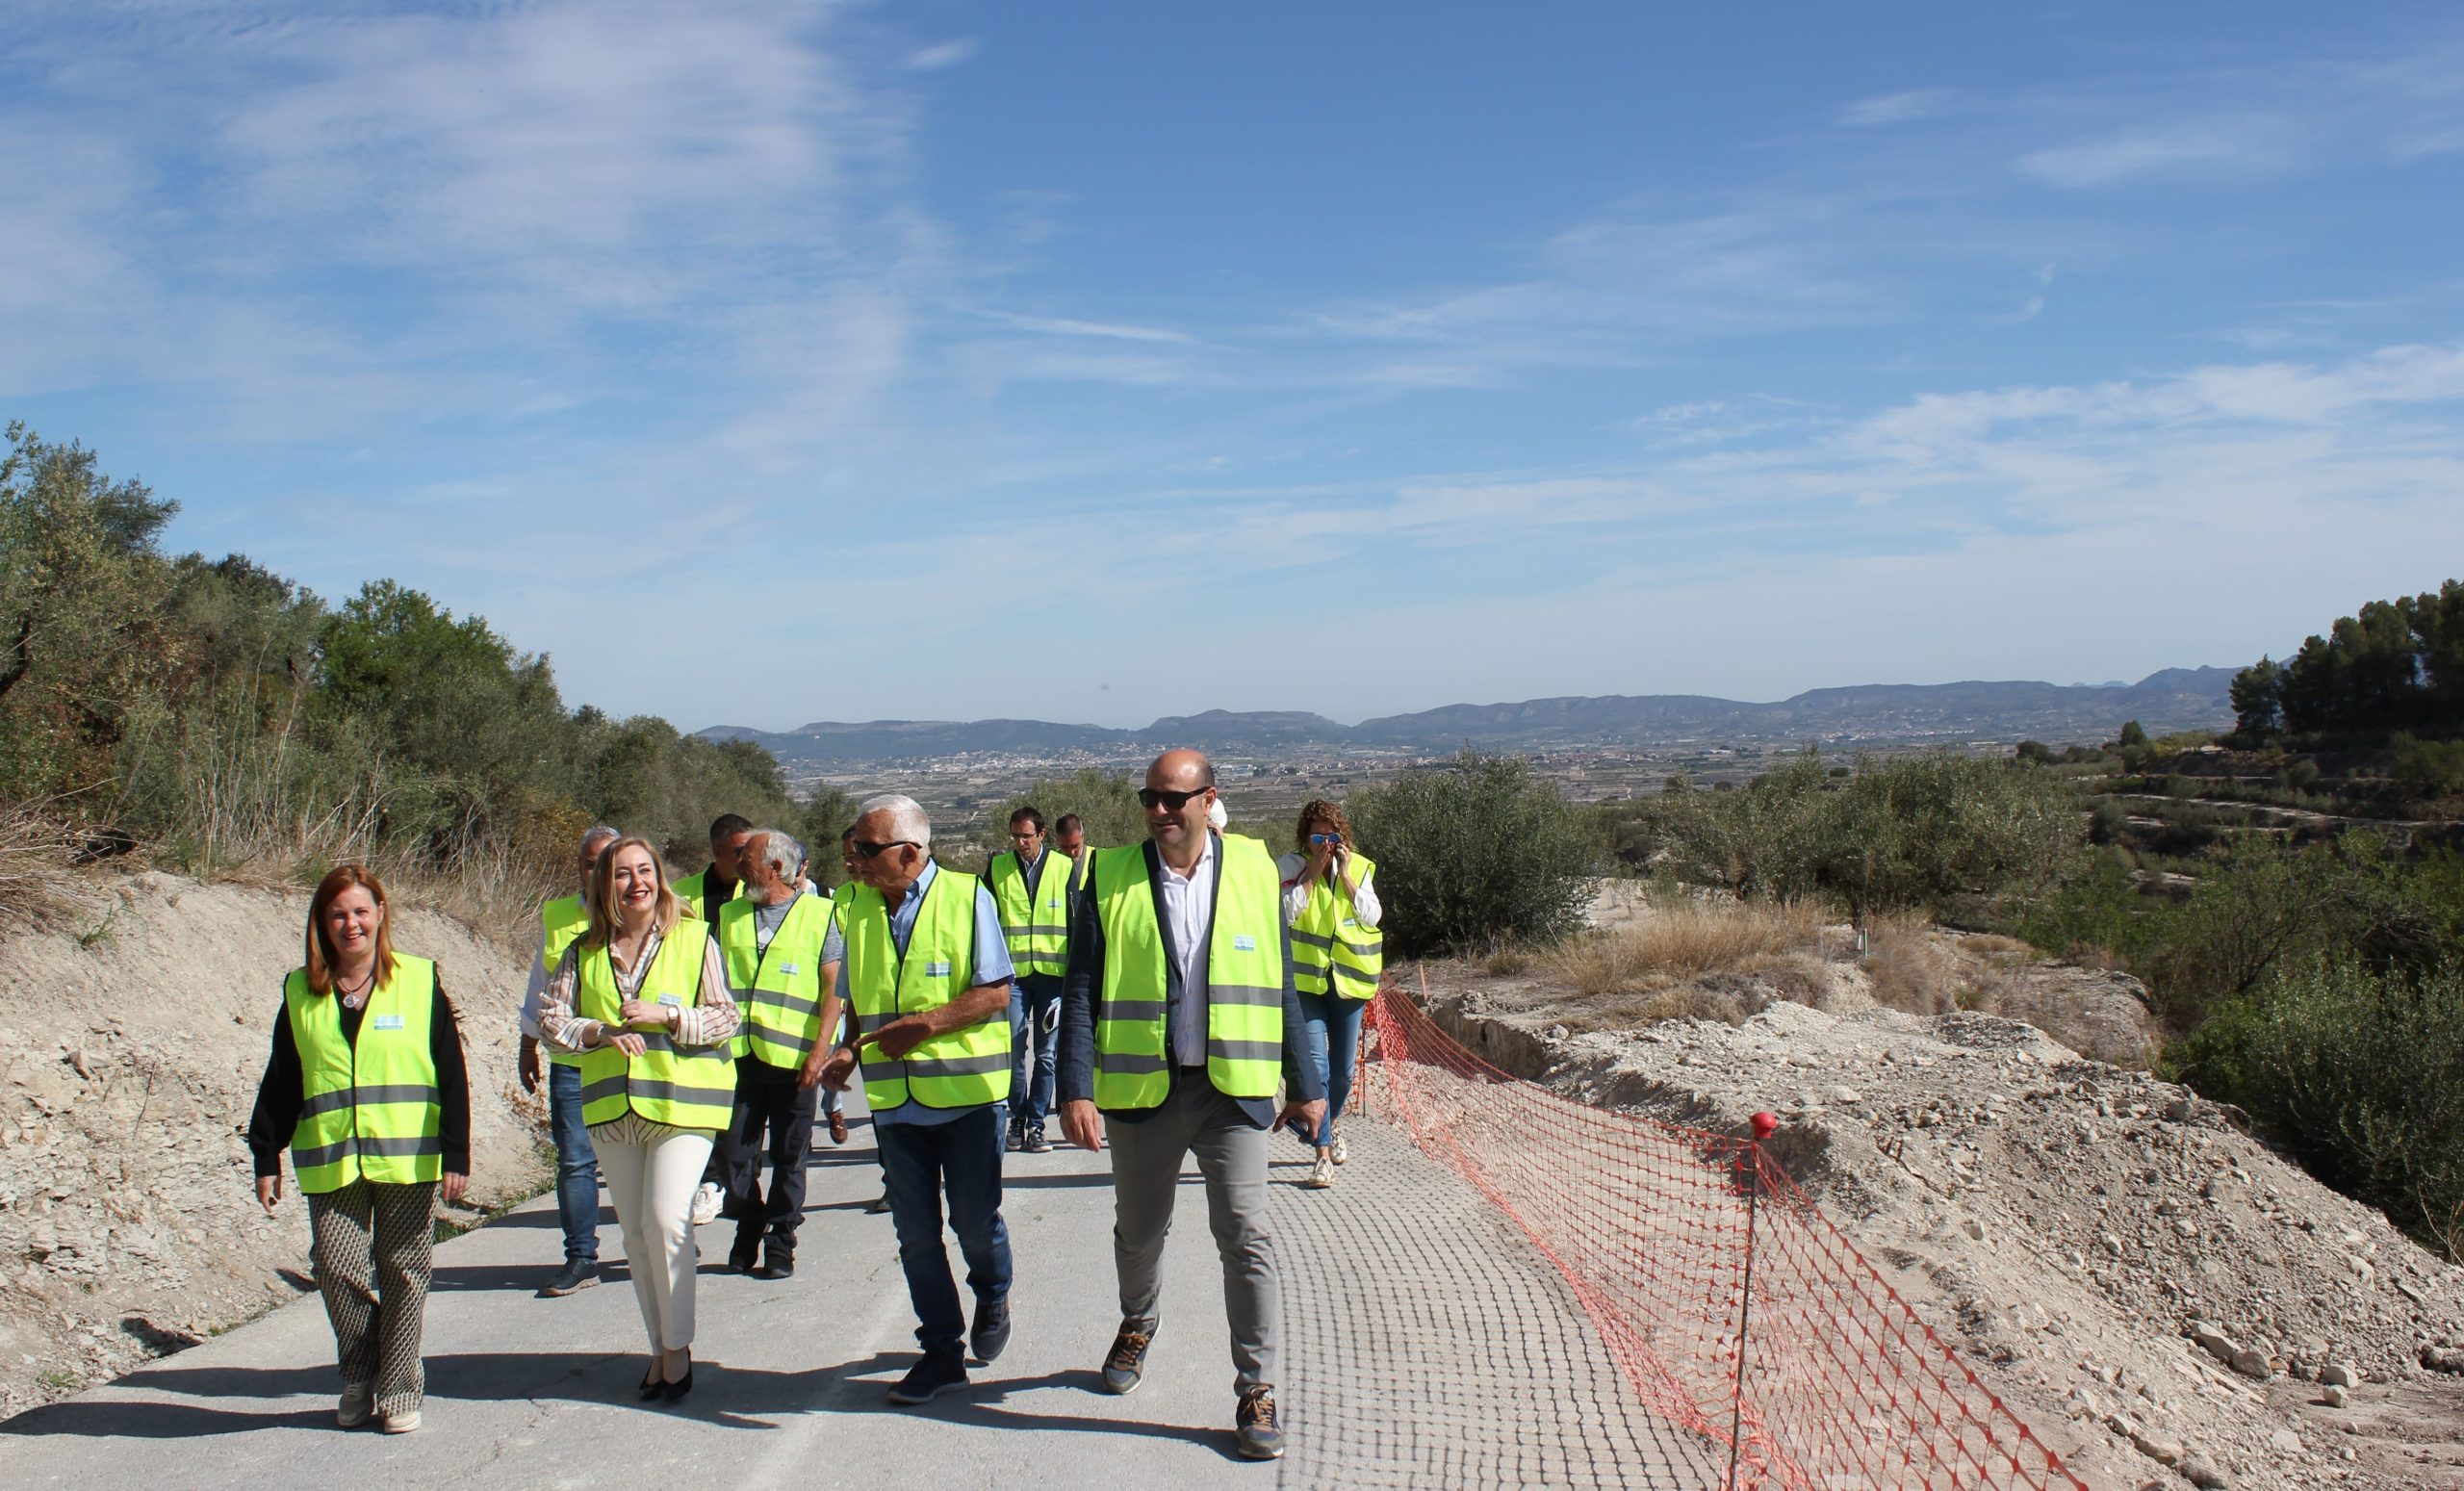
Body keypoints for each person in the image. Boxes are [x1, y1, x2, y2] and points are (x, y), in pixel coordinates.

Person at [1058, 750, 1324, 1461]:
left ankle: (1256, 1387)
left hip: (1231, 1087)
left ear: (1209, 799)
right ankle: (1138, 1320)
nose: (1160, 810)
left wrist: (1306, 1083)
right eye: (1150, 797)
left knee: (1246, 1232)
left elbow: (1283, 983)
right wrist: (1074, 1086)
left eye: (1174, 798)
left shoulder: (1254, 870)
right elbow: (1080, 986)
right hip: (1143, 1087)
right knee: (1139, 1231)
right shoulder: (1108, 874)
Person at [247, 864, 471, 1435]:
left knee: (402, 1271)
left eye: (361, 911)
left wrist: (456, 1154)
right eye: (339, 913)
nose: (352, 923)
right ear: (323, 923)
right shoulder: (300, 991)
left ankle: (398, 1386)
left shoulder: (419, 982)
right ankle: (362, 1367)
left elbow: (451, 1073)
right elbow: (282, 1079)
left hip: (407, 1156)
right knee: (335, 1267)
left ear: (380, 916)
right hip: (331, 1157)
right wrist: (265, 1154)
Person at [818, 793, 1016, 1406]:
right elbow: (859, 1005)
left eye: (866, 849)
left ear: (909, 852)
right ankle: (940, 1353)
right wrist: (849, 1051)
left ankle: (992, 1287)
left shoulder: (967, 897)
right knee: (916, 1234)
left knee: (973, 1224)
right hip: (894, 1103)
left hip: (967, 1101)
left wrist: (924, 1026)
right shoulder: (858, 910)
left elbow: (996, 994)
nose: (854, 859)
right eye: (853, 847)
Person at [537, 836, 737, 1402]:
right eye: (622, 874)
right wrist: (597, 1031)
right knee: (634, 1235)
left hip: (684, 1104)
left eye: (645, 871)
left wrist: (667, 1016)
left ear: (660, 878)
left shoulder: (695, 938)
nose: (636, 883)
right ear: (605, 884)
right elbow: (553, 1021)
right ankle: (660, 1348)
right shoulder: (581, 951)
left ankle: (677, 1349)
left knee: (666, 1219)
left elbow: (726, 1019)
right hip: (611, 1107)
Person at [714, 829, 843, 1279]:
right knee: (733, 1157)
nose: (738, 864)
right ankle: (749, 1222)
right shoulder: (729, 916)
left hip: (794, 1062)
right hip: (736, 1059)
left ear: (774, 866)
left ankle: (781, 1240)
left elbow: (833, 992)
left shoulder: (821, 915)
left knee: (790, 1158)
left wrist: (820, 1054)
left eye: (745, 857)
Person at [518, 825, 621, 1296]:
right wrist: (527, 1042)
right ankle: (581, 1258)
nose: (597, 871)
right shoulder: (559, 916)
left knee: (637, 1158)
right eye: (588, 862)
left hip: (632, 1059)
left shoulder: (647, 913)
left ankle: (661, 1239)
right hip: (573, 1059)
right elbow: (541, 982)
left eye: (606, 861)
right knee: (576, 1161)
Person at [1277, 800, 1383, 1190]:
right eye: (1317, 836)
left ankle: (1328, 1121)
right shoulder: (1289, 866)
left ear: (1342, 837)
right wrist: (1310, 875)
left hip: (1349, 984)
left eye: (1331, 836)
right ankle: (1321, 1154)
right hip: (1306, 985)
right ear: (1306, 836)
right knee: (1316, 1069)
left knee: (1342, 1074)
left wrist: (1347, 876)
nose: (1323, 843)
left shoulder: (1361, 866)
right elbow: (1284, 914)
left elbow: (1372, 916)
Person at [681, 813, 757, 1225]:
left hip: (749, 1023)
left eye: (751, 850)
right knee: (704, 1109)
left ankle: (736, 1187)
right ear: (716, 853)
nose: (747, 859)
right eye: (738, 852)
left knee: (740, 1118)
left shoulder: (761, 890)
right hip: (698, 1022)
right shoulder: (683, 895)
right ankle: (708, 1184)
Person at [987, 806, 1068, 1155]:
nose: (1020, 842)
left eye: (1026, 835)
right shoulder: (998, 868)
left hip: (1053, 976)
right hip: (1015, 977)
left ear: (1042, 834)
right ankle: (1016, 1119)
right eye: (1015, 835)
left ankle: (1037, 1124)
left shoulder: (1065, 869)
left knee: (1047, 1055)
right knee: (1015, 1052)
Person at [672, 813, 755, 920]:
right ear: (718, 852)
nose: (748, 857)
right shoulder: (679, 892)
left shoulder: (756, 893)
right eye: (741, 851)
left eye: (752, 850)